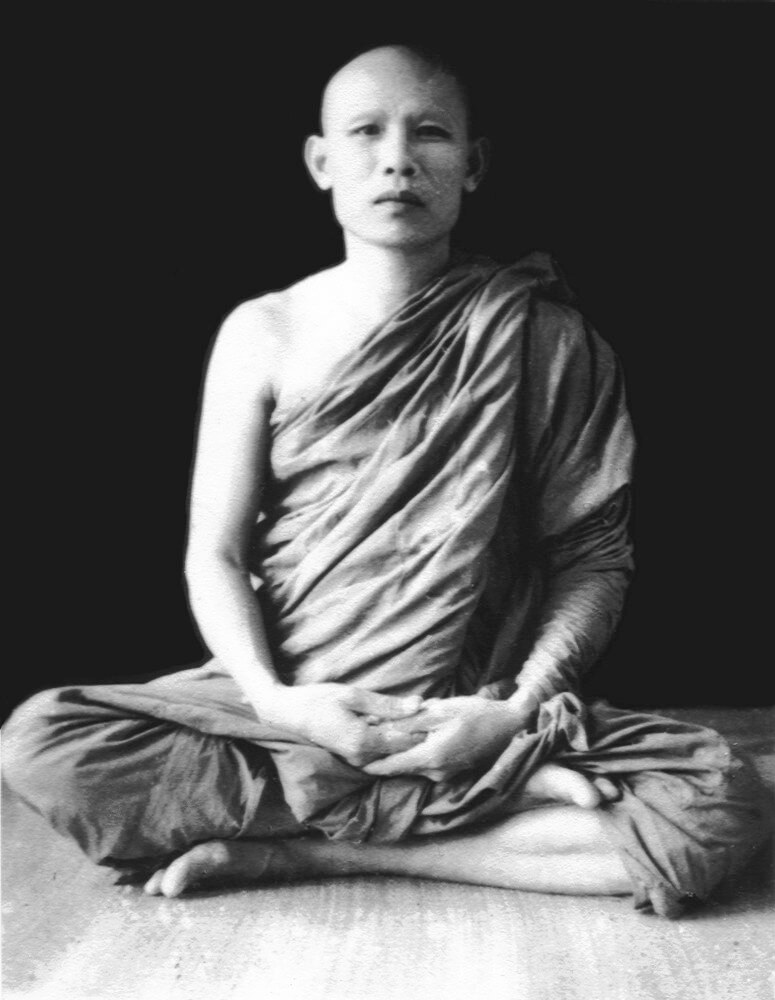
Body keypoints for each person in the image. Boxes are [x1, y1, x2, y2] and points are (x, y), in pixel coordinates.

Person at [3, 43, 771, 918]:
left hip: (467, 716)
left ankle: (301, 852)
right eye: (366, 132)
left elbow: (592, 559)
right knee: (45, 745)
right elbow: (212, 554)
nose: (398, 157)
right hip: (296, 710)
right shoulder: (264, 331)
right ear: (321, 163)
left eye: (431, 134)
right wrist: (279, 703)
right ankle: (468, 819)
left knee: (718, 810)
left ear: (473, 165)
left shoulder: (545, 338)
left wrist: (515, 713)